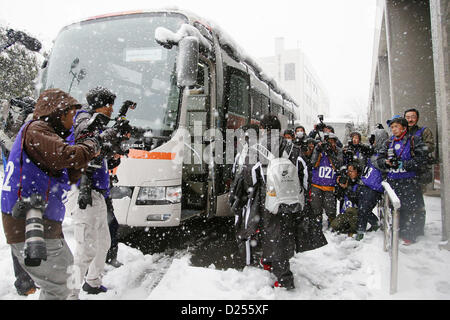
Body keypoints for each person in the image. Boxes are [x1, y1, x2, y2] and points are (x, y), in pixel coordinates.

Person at [1, 88, 101, 300]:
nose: (73, 121)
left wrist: (87, 154)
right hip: (29, 220)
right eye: (71, 116)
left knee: (66, 278)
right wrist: (90, 146)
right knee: (61, 286)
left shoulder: (45, 135)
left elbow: (68, 173)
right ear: (59, 112)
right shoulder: (37, 129)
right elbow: (68, 156)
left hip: (42, 219)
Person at [66, 86, 125, 299]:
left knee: (103, 244)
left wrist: (114, 150)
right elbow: (85, 139)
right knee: (85, 250)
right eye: (108, 105)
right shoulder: (84, 119)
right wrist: (108, 135)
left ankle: (92, 283)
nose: (111, 110)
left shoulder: (95, 124)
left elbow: (97, 152)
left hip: (98, 194)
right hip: (84, 192)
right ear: (99, 104)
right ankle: (68, 293)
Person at [253, 114, 299, 290]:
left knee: (272, 232)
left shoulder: (258, 147)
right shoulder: (291, 145)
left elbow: (251, 176)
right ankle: (271, 262)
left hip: (269, 197)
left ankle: (284, 277)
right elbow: (301, 170)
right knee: (283, 232)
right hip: (289, 196)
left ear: (264, 128)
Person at [0, 97, 37, 296]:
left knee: (23, 238)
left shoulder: (9, 137)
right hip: (18, 192)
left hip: (13, 192)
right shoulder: (15, 140)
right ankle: (24, 282)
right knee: (22, 239)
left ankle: (27, 280)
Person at [376, 116, 427, 245]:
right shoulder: (388, 143)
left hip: (409, 180)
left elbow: (422, 159)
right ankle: (397, 231)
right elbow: (379, 159)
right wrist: (386, 162)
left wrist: (404, 164)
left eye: (396, 126)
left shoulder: (414, 140)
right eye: (392, 127)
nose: (394, 129)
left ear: (404, 127)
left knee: (410, 208)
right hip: (393, 181)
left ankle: (410, 234)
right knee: (395, 208)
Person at [404, 108, 435, 235]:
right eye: (407, 117)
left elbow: (430, 146)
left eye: (413, 117)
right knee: (405, 201)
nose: (410, 119)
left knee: (417, 201)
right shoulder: (402, 132)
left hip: (419, 171)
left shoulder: (423, 131)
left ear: (417, 118)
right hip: (405, 171)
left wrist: (415, 149)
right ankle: (407, 227)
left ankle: (418, 228)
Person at [354, 128, 389, 241]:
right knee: (360, 208)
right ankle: (374, 223)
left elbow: (383, 166)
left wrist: (373, 155)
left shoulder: (385, 153)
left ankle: (360, 232)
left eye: (374, 140)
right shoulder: (370, 152)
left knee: (364, 209)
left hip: (375, 187)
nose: (372, 142)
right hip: (364, 183)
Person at [310, 133, 343, 229]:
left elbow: (338, 165)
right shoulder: (320, 149)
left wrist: (331, 153)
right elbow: (312, 163)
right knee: (316, 207)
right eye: (329, 140)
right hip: (317, 183)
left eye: (333, 140)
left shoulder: (338, 151)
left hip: (330, 184)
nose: (331, 143)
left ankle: (332, 224)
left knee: (330, 208)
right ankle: (318, 223)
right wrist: (317, 150)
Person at [331, 163, 361, 235]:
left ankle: (354, 229)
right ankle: (347, 228)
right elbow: (338, 197)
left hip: (355, 213)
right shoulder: (346, 181)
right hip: (345, 214)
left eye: (351, 171)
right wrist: (339, 186)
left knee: (350, 210)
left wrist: (347, 188)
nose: (349, 173)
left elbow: (356, 199)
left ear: (357, 172)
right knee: (334, 225)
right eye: (348, 171)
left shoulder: (360, 183)